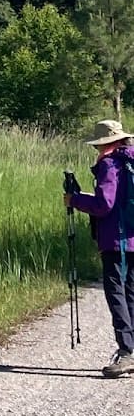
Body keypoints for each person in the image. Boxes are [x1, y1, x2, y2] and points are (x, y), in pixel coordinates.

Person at [65, 118, 134, 377]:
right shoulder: (132, 161)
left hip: (116, 243)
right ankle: (131, 350)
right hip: (133, 239)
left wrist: (75, 199)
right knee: (131, 295)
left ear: (107, 143)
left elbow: (104, 204)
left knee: (117, 295)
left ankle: (126, 353)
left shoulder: (110, 164)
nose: (97, 150)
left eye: (99, 146)